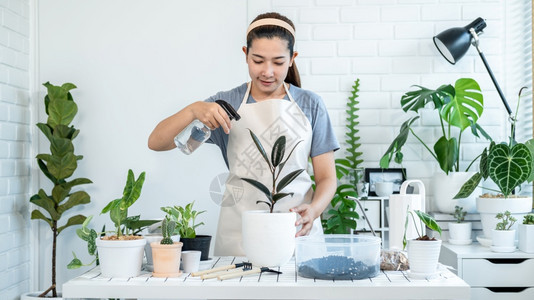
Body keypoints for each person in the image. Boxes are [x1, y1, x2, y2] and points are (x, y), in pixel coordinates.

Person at [148, 12, 339, 256]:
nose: (268, 72)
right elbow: (156, 142)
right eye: (258, 60)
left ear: (292, 59)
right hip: (240, 236)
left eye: (278, 62)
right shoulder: (226, 105)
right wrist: (194, 109)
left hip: (296, 232)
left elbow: (326, 178)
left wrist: (314, 210)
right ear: (245, 55)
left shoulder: (310, 104)